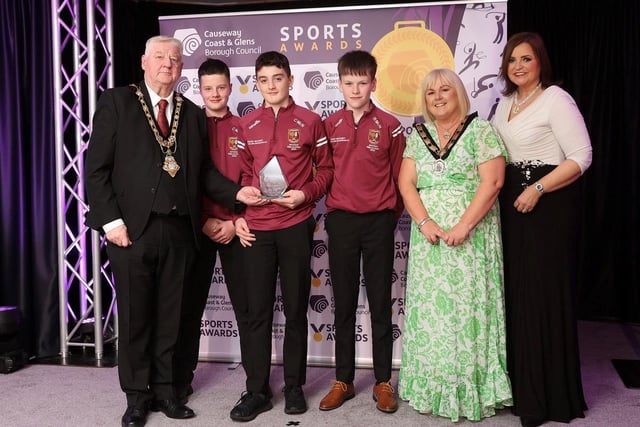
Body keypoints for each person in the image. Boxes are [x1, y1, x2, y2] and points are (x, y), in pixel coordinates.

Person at [84, 36, 263, 427]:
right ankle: (136, 397)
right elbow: (96, 169)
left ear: (181, 68)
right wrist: (111, 222)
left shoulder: (191, 113)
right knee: (135, 317)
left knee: (172, 317)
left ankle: (166, 391)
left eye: (176, 59)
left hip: (181, 231)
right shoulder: (117, 102)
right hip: (132, 232)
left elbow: (202, 174)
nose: (168, 64)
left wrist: (236, 193)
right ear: (144, 61)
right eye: (161, 57)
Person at [396, 68, 513, 421]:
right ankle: (432, 386)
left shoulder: (481, 131)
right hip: (429, 241)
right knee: (434, 315)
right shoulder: (418, 135)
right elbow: (406, 184)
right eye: (430, 93)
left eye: (445, 90)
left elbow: (492, 183)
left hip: (473, 237)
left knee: (466, 311)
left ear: (458, 93)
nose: (437, 97)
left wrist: (464, 225)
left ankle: (471, 388)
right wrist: (425, 221)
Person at [492, 32, 592, 427]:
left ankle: (550, 398)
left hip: (546, 207)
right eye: (512, 60)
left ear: (540, 63)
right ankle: (522, 390)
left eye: (526, 59)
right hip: (512, 209)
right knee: (517, 297)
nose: (518, 66)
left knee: (543, 297)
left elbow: (582, 156)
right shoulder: (504, 104)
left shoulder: (556, 99)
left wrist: (537, 188)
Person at [231, 51, 333, 422]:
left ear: (290, 79)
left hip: (294, 226)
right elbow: (243, 174)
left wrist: (306, 194)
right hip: (256, 230)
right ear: (256, 83)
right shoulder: (247, 124)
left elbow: (327, 170)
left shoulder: (310, 121)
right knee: (256, 313)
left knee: (294, 310)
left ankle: (293, 386)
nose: (271, 85)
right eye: (263, 79)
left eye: (278, 78)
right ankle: (256, 390)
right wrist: (243, 201)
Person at [318, 50, 405, 414]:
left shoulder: (390, 124)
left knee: (381, 302)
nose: (356, 89)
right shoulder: (328, 124)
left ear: (374, 83)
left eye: (362, 82)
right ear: (339, 84)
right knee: (344, 305)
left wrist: (386, 214)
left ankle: (383, 380)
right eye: (349, 83)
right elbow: (320, 170)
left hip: (379, 222)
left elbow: (402, 177)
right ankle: (344, 380)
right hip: (340, 221)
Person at [172, 58, 250, 405]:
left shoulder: (246, 127)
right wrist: (204, 220)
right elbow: (182, 180)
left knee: (249, 309)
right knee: (189, 308)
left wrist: (235, 222)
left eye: (221, 87)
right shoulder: (188, 127)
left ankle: (256, 381)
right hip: (198, 229)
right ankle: (180, 380)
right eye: (208, 88)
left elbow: (254, 177)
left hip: (236, 228)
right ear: (198, 90)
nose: (215, 93)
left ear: (231, 88)